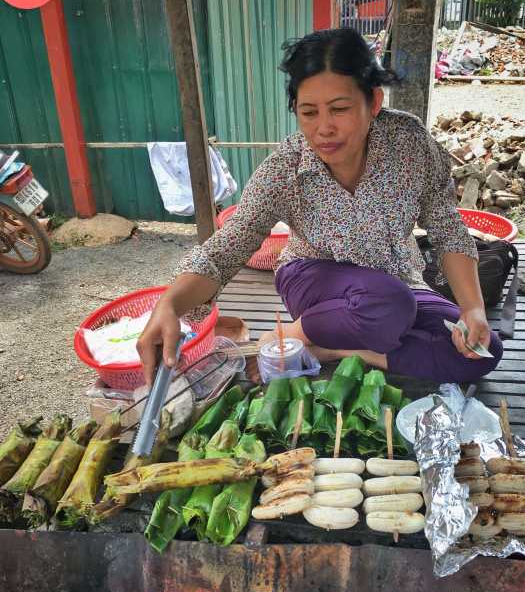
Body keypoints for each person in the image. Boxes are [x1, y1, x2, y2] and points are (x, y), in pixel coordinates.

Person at [137, 28, 503, 386]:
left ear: (373, 102)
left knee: (481, 351)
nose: (323, 128)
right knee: (389, 305)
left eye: (339, 109)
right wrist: (169, 305)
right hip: (312, 278)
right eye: (309, 112)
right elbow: (226, 248)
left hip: (396, 279)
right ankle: (298, 333)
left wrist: (473, 310)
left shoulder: (408, 144)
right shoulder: (287, 169)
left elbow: (447, 227)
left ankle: (340, 351)